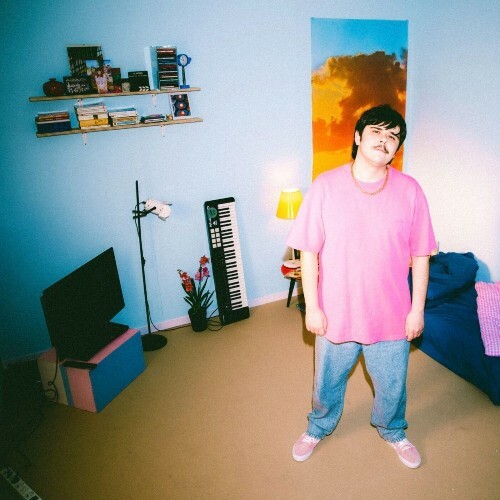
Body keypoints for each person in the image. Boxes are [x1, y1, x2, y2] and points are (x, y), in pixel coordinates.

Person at [287, 104, 437, 469]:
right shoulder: (325, 187)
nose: (384, 140)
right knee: (327, 381)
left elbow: (421, 255)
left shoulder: (410, 191)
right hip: (336, 310)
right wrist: (313, 307)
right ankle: (318, 426)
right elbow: (308, 252)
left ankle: (393, 430)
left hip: (391, 313)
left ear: (396, 148)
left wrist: (417, 310)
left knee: (392, 383)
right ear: (357, 137)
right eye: (376, 131)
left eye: (393, 136)